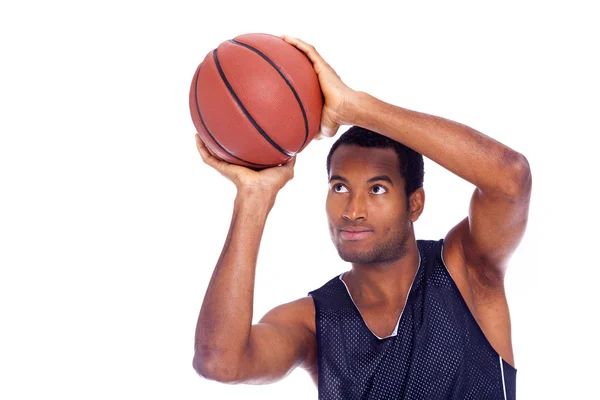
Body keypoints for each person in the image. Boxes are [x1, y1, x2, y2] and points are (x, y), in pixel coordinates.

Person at [192, 35, 532, 400]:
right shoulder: (313, 322)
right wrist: (253, 198)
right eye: (339, 188)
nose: (352, 211)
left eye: (377, 190)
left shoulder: (467, 272)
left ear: (414, 204)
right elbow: (219, 362)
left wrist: (354, 107)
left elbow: (510, 177)